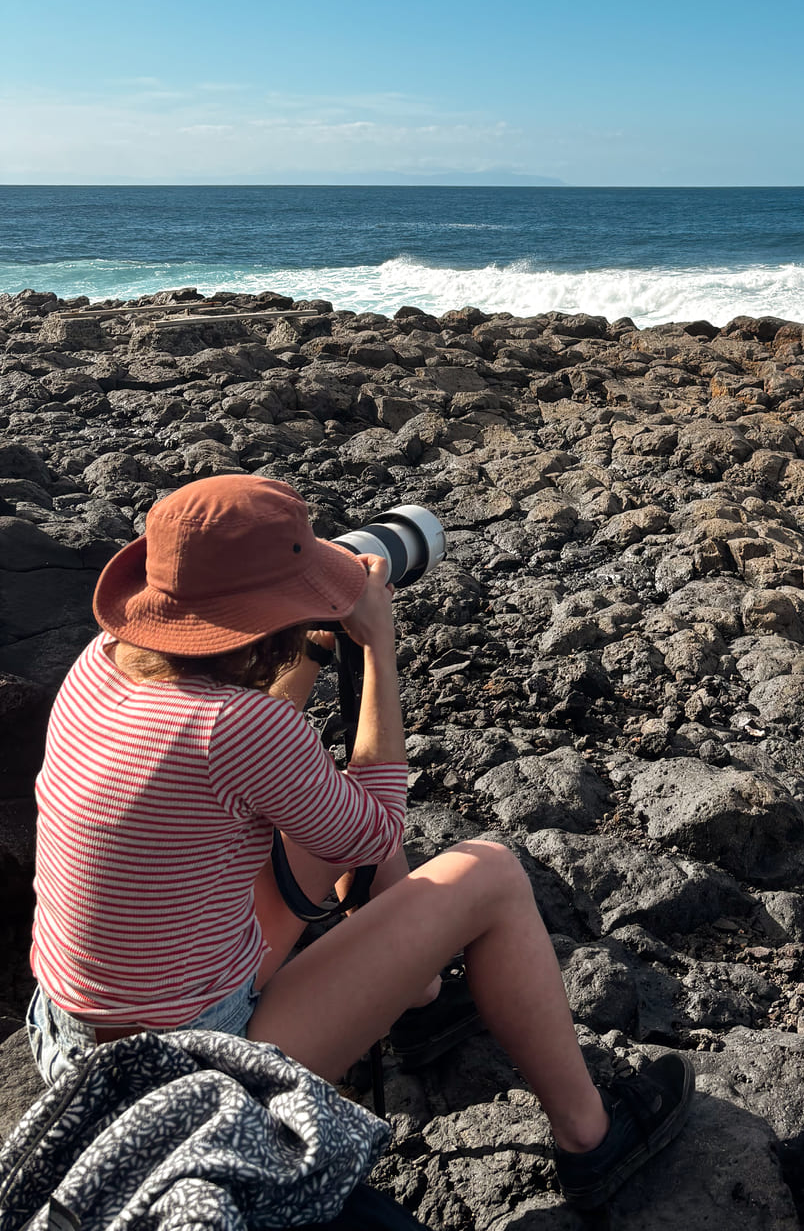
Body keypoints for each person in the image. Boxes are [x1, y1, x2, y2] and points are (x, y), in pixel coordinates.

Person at [28, 474, 693, 1209]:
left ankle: (417, 997)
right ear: (270, 611)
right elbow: (375, 829)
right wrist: (377, 649)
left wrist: (306, 649)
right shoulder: (238, 729)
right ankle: (591, 1137)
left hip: (70, 1034)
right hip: (192, 1064)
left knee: (316, 818)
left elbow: (238, 768)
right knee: (493, 873)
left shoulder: (102, 663)